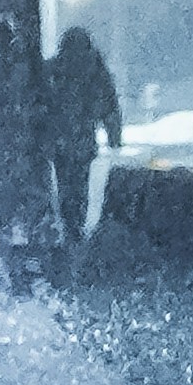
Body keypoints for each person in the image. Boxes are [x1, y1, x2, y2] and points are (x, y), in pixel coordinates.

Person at [41, 25, 123, 243]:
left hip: (61, 141)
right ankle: (75, 225)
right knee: (79, 184)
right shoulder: (95, 71)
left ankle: (69, 224)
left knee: (65, 183)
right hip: (83, 140)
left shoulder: (55, 70)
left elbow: (42, 104)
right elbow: (109, 105)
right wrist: (114, 136)